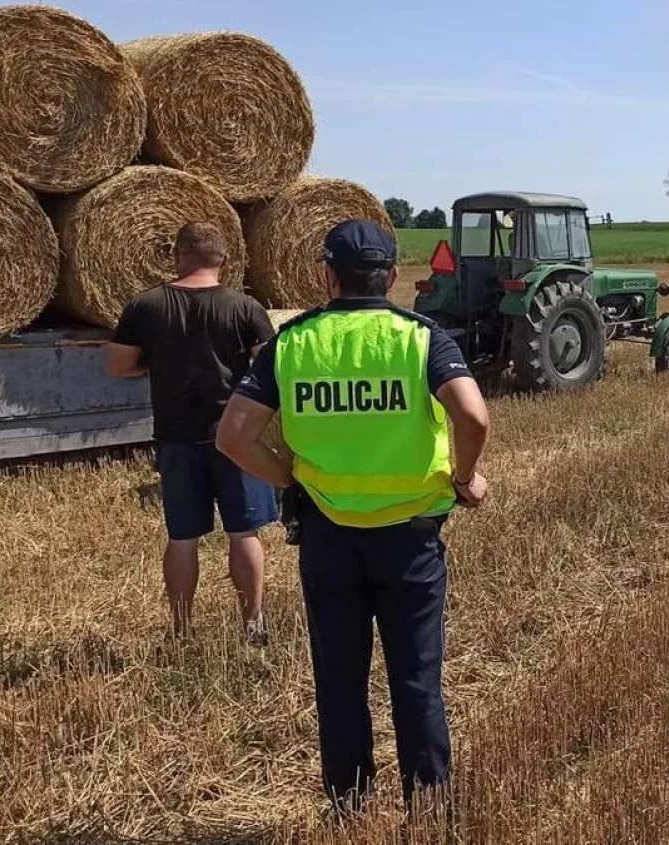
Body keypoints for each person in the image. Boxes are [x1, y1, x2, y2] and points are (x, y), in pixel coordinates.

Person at [214, 218, 491, 814]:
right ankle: (428, 808)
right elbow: (473, 417)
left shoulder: (294, 343)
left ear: (327, 275)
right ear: (391, 277)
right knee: (416, 681)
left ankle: (349, 806)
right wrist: (464, 478)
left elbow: (232, 436)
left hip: (328, 539)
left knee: (339, 682)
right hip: (410, 542)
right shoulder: (420, 339)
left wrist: (288, 478)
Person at [104, 222, 278, 644]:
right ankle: (252, 625)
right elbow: (270, 369)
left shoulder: (144, 305)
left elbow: (118, 365)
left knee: (182, 538)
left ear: (177, 255)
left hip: (176, 437)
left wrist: (157, 363)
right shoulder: (244, 307)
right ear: (225, 259)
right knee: (244, 534)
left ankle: (182, 630)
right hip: (236, 437)